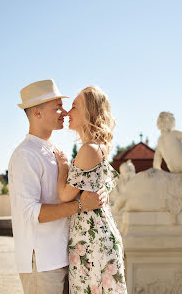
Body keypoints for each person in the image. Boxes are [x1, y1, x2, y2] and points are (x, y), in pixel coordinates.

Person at [8, 80, 106, 294]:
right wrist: (81, 205)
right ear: (37, 113)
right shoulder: (25, 154)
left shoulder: (55, 151)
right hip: (41, 263)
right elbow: (31, 213)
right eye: (57, 108)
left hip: (64, 258)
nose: (64, 112)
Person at [55, 86, 128, 294]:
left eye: (75, 107)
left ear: (91, 113)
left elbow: (64, 196)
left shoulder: (89, 150)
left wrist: (63, 167)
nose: (68, 112)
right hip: (95, 236)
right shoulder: (98, 146)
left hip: (91, 241)